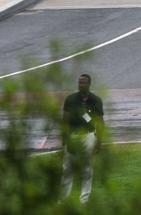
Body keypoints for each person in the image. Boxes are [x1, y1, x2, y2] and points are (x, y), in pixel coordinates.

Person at [61, 74, 104, 204]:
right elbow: (65, 121)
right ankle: (63, 199)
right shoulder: (71, 99)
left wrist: (99, 142)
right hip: (73, 135)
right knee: (67, 169)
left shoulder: (96, 100)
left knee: (87, 168)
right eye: (79, 83)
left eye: (83, 83)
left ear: (89, 84)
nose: (81, 85)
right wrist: (67, 141)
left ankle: (84, 199)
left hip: (89, 135)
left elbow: (100, 122)